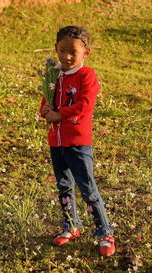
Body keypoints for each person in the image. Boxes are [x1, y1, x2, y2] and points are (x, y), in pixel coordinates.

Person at [40, 25, 115, 257]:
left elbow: (85, 105)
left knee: (87, 188)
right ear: (56, 49)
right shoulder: (54, 75)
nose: (67, 57)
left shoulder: (86, 75)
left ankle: (105, 232)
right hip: (56, 141)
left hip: (78, 143)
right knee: (63, 186)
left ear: (86, 52)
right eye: (62, 51)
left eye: (73, 52)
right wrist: (46, 111)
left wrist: (60, 113)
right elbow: (45, 101)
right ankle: (71, 226)